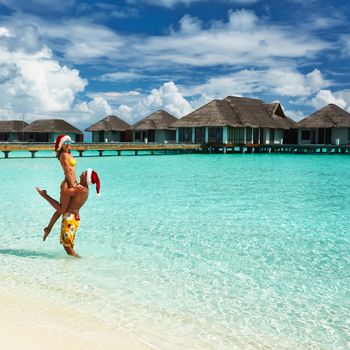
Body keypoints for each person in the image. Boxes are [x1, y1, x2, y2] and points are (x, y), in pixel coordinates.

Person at [36, 169, 101, 257]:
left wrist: (66, 178)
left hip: (70, 218)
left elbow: (65, 192)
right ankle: (72, 265)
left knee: (67, 246)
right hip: (72, 218)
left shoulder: (83, 190)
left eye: (85, 173)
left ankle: (79, 261)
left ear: (87, 178)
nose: (83, 172)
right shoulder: (82, 188)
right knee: (68, 245)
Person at [43, 134, 81, 241]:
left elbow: (72, 171)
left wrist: (76, 182)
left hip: (72, 183)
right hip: (67, 185)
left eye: (69, 142)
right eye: (66, 143)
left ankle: (48, 228)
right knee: (62, 210)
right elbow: (67, 171)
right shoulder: (63, 155)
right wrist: (73, 185)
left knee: (61, 210)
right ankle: (44, 195)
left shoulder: (69, 153)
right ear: (61, 145)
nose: (68, 145)